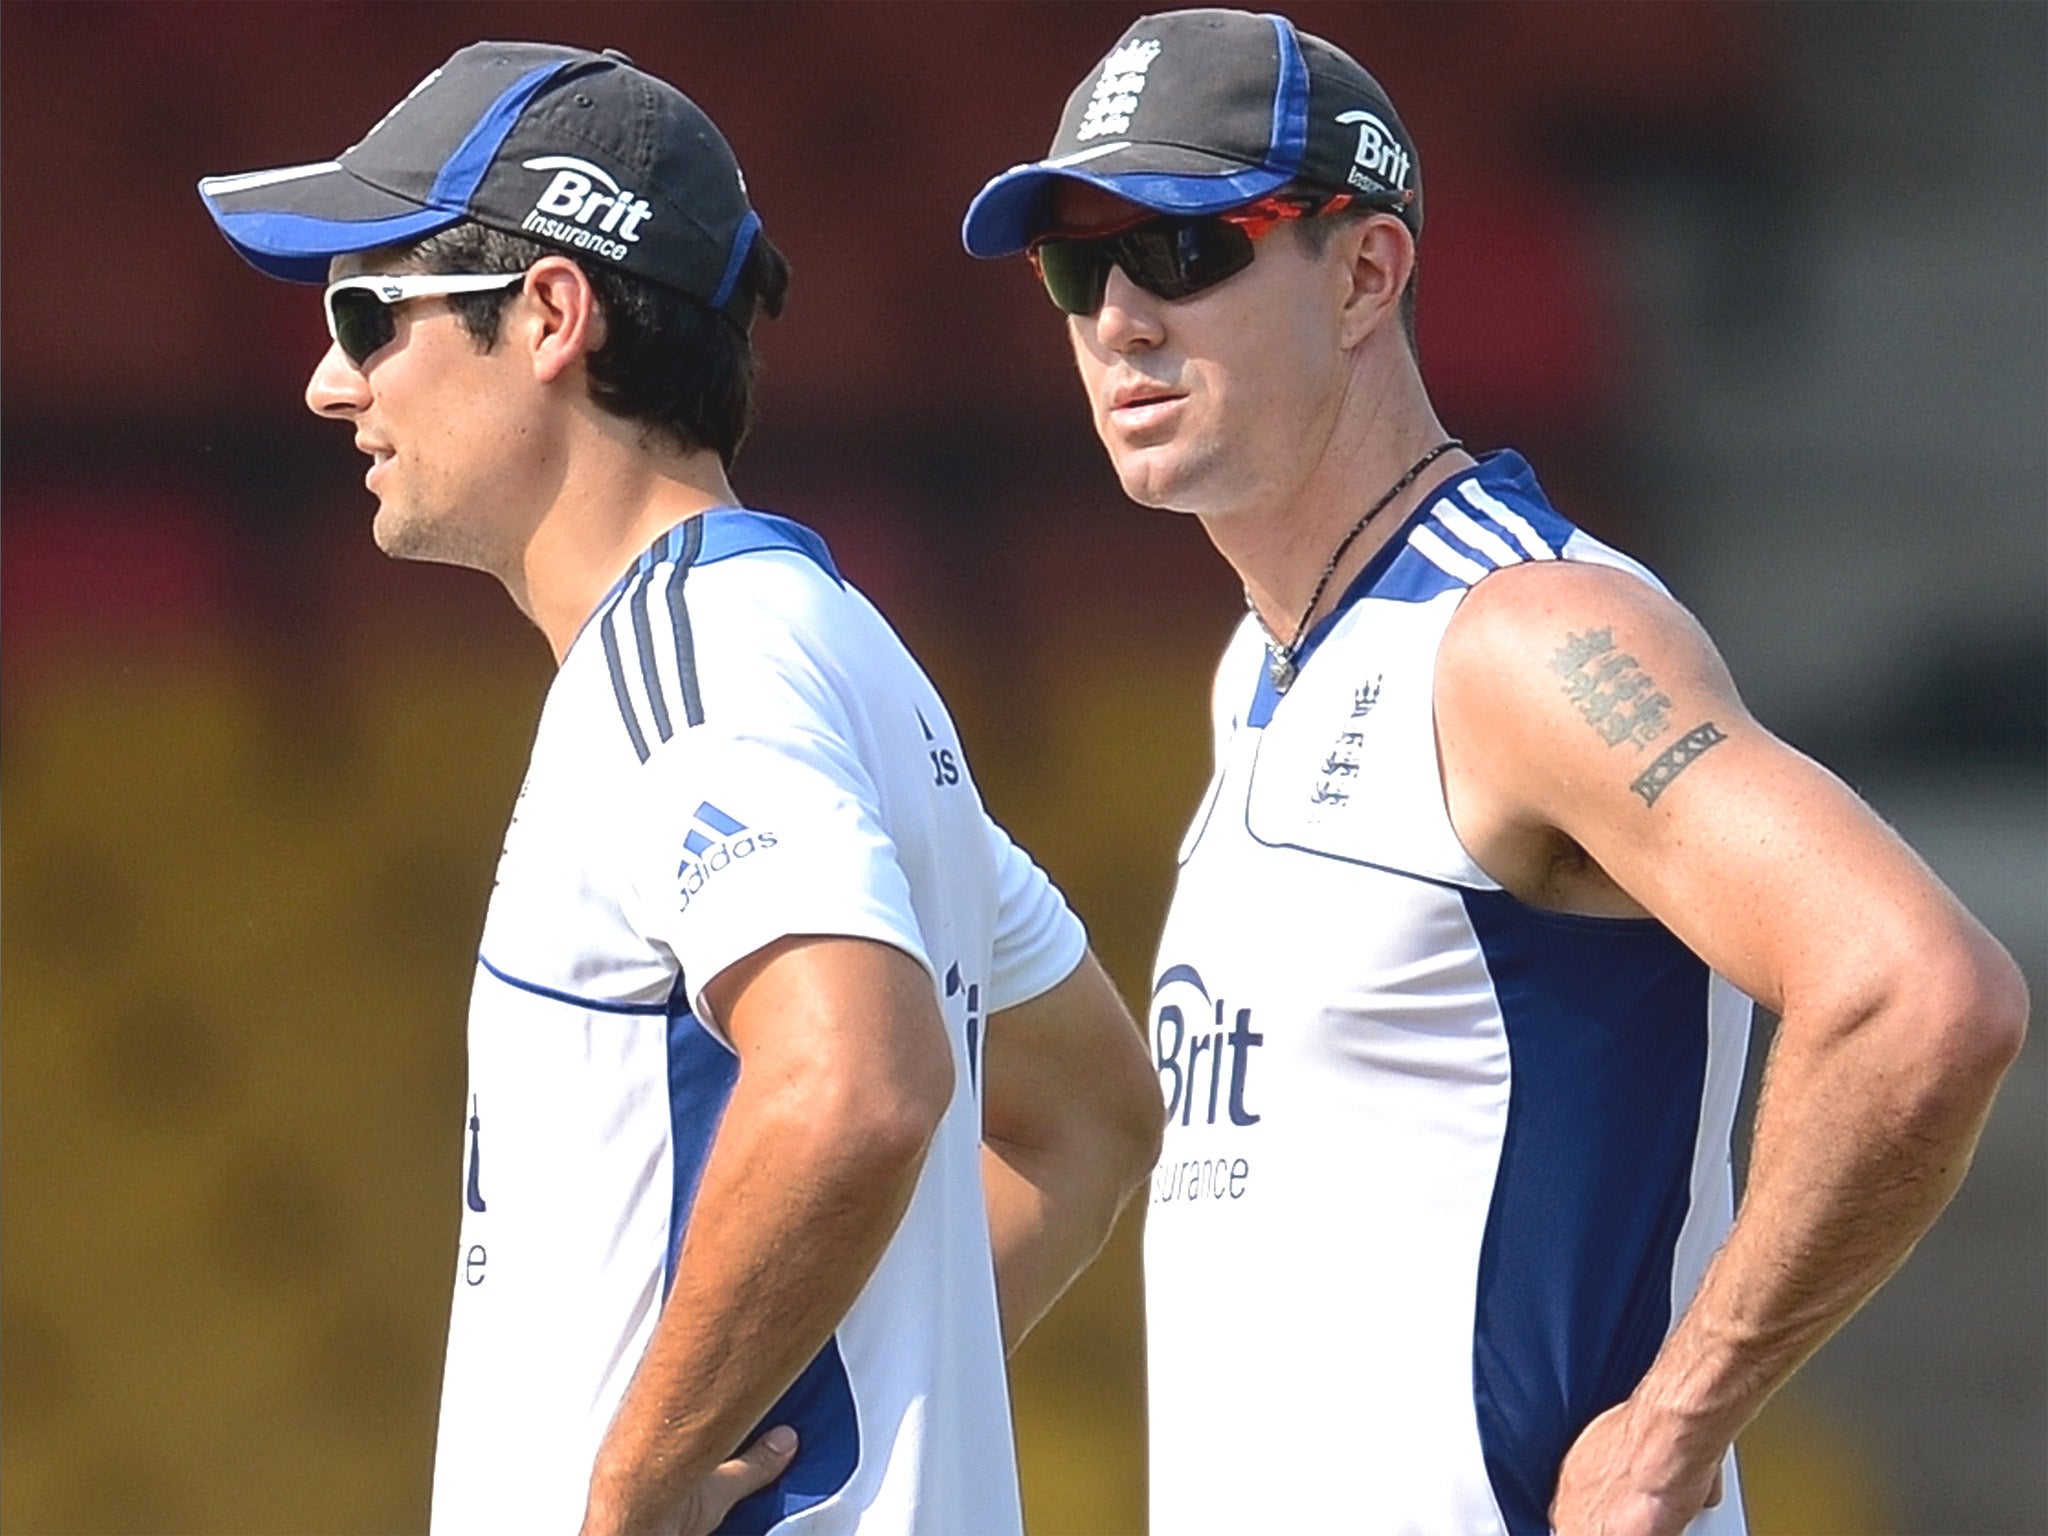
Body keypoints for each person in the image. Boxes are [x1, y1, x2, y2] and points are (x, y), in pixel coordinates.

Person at [961, 9, 2028, 1535]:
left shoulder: (1521, 637)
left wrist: (1678, 1424)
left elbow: (1922, 993)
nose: (1121, 315)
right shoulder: (1263, 665)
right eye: (1080, 263)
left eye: (1185, 250)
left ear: (1368, 274)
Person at [198, 40, 1163, 1536]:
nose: (332, 382)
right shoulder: (828, 645)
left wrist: (645, 1481)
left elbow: (855, 1078)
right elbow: (1089, 1107)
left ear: (550, 314)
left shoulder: (689, 657)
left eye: (366, 313)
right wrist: (837, 1378)